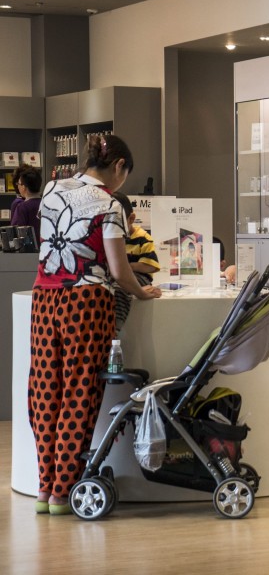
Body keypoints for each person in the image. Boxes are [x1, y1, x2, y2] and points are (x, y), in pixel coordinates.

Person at [29, 134, 161, 515]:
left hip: (45, 297)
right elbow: (120, 272)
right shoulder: (110, 204)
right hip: (87, 303)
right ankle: (62, 490)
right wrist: (142, 292)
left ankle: (42, 488)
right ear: (119, 167)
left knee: (44, 389)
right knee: (79, 390)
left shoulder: (52, 188)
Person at [111, 191, 161, 332]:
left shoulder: (142, 237)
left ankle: (118, 324)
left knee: (120, 288)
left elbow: (150, 265)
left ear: (131, 219)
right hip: (118, 274)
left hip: (138, 277)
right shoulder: (110, 238)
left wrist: (124, 266)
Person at [11, 164, 42, 242]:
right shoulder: (47, 204)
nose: (18, 186)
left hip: (28, 251)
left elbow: (15, 234)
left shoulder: (22, 207)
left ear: (24, 187)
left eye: (19, 184)